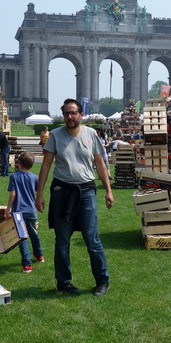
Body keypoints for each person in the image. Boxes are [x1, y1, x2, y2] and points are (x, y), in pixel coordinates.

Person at [35, 98, 113, 296]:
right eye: (66, 113)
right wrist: (39, 194)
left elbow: (101, 165)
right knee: (62, 240)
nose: (69, 117)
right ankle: (64, 282)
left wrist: (108, 191)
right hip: (62, 191)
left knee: (91, 238)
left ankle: (102, 281)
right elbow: (46, 165)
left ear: (81, 114)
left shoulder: (91, 134)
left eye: (73, 113)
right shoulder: (55, 135)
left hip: (86, 191)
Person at [5, 151, 44, 273]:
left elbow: (13, 194)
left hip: (19, 212)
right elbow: (38, 194)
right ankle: (39, 256)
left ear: (19, 163)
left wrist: (7, 210)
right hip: (31, 211)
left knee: (22, 237)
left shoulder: (14, 176)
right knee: (34, 233)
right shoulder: (34, 177)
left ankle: (27, 265)